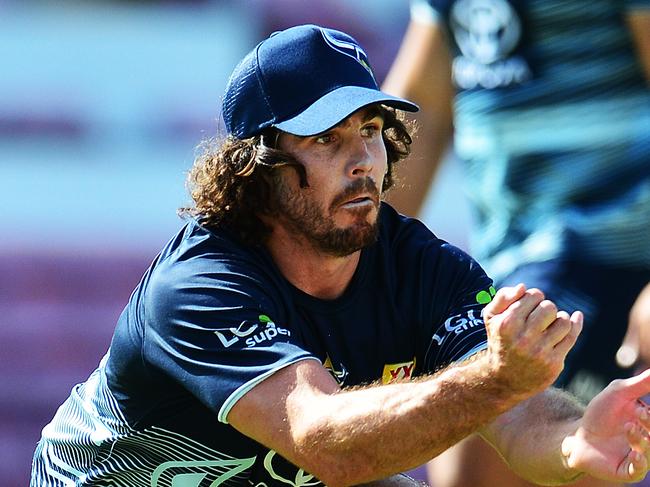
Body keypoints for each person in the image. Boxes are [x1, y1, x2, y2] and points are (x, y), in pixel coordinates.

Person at [30, 24, 650, 487]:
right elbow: (325, 442)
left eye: (373, 132)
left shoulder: (423, 268)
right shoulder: (199, 285)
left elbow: (519, 418)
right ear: (258, 165)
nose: (363, 162)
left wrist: (575, 437)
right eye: (327, 139)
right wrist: (492, 377)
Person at [382, 1, 650, 486]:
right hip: (511, 265)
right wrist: (359, 257)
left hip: (613, 258)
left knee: (482, 454)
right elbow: (422, 109)